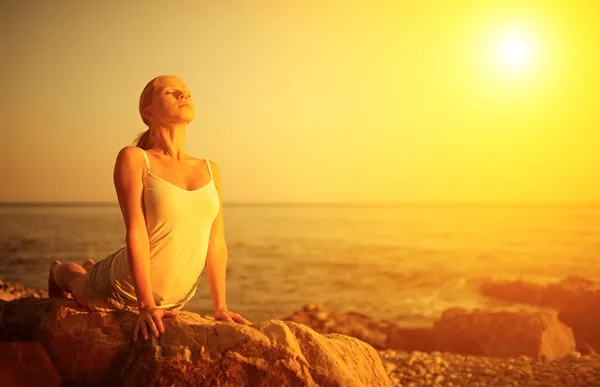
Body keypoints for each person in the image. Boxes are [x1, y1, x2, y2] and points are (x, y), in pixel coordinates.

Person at [48, 75, 252, 341]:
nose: (183, 95)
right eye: (171, 92)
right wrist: (144, 305)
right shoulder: (135, 158)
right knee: (79, 284)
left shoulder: (210, 169)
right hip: (125, 288)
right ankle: (58, 269)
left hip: (174, 300)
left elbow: (216, 242)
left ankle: (94, 268)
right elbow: (136, 231)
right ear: (148, 113)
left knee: (92, 274)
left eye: (187, 92)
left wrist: (220, 307)